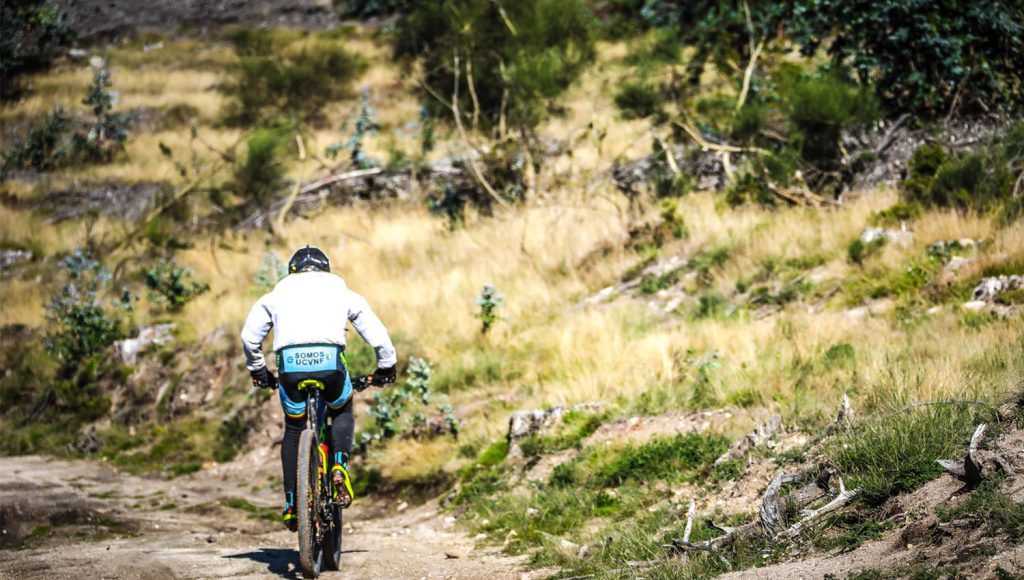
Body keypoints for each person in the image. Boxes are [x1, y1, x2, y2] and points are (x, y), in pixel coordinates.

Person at [240, 246, 397, 531]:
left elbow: (250, 337)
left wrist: (259, 370)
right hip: (329, 363)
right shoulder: (341, 290)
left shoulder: (276, 294)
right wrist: (387, 365)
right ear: (326, 270)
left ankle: (291, 502)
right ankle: (338, 465)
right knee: (341, 409)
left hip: (290, 364)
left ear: (292, 271)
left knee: (293, 428)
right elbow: (377, 332)